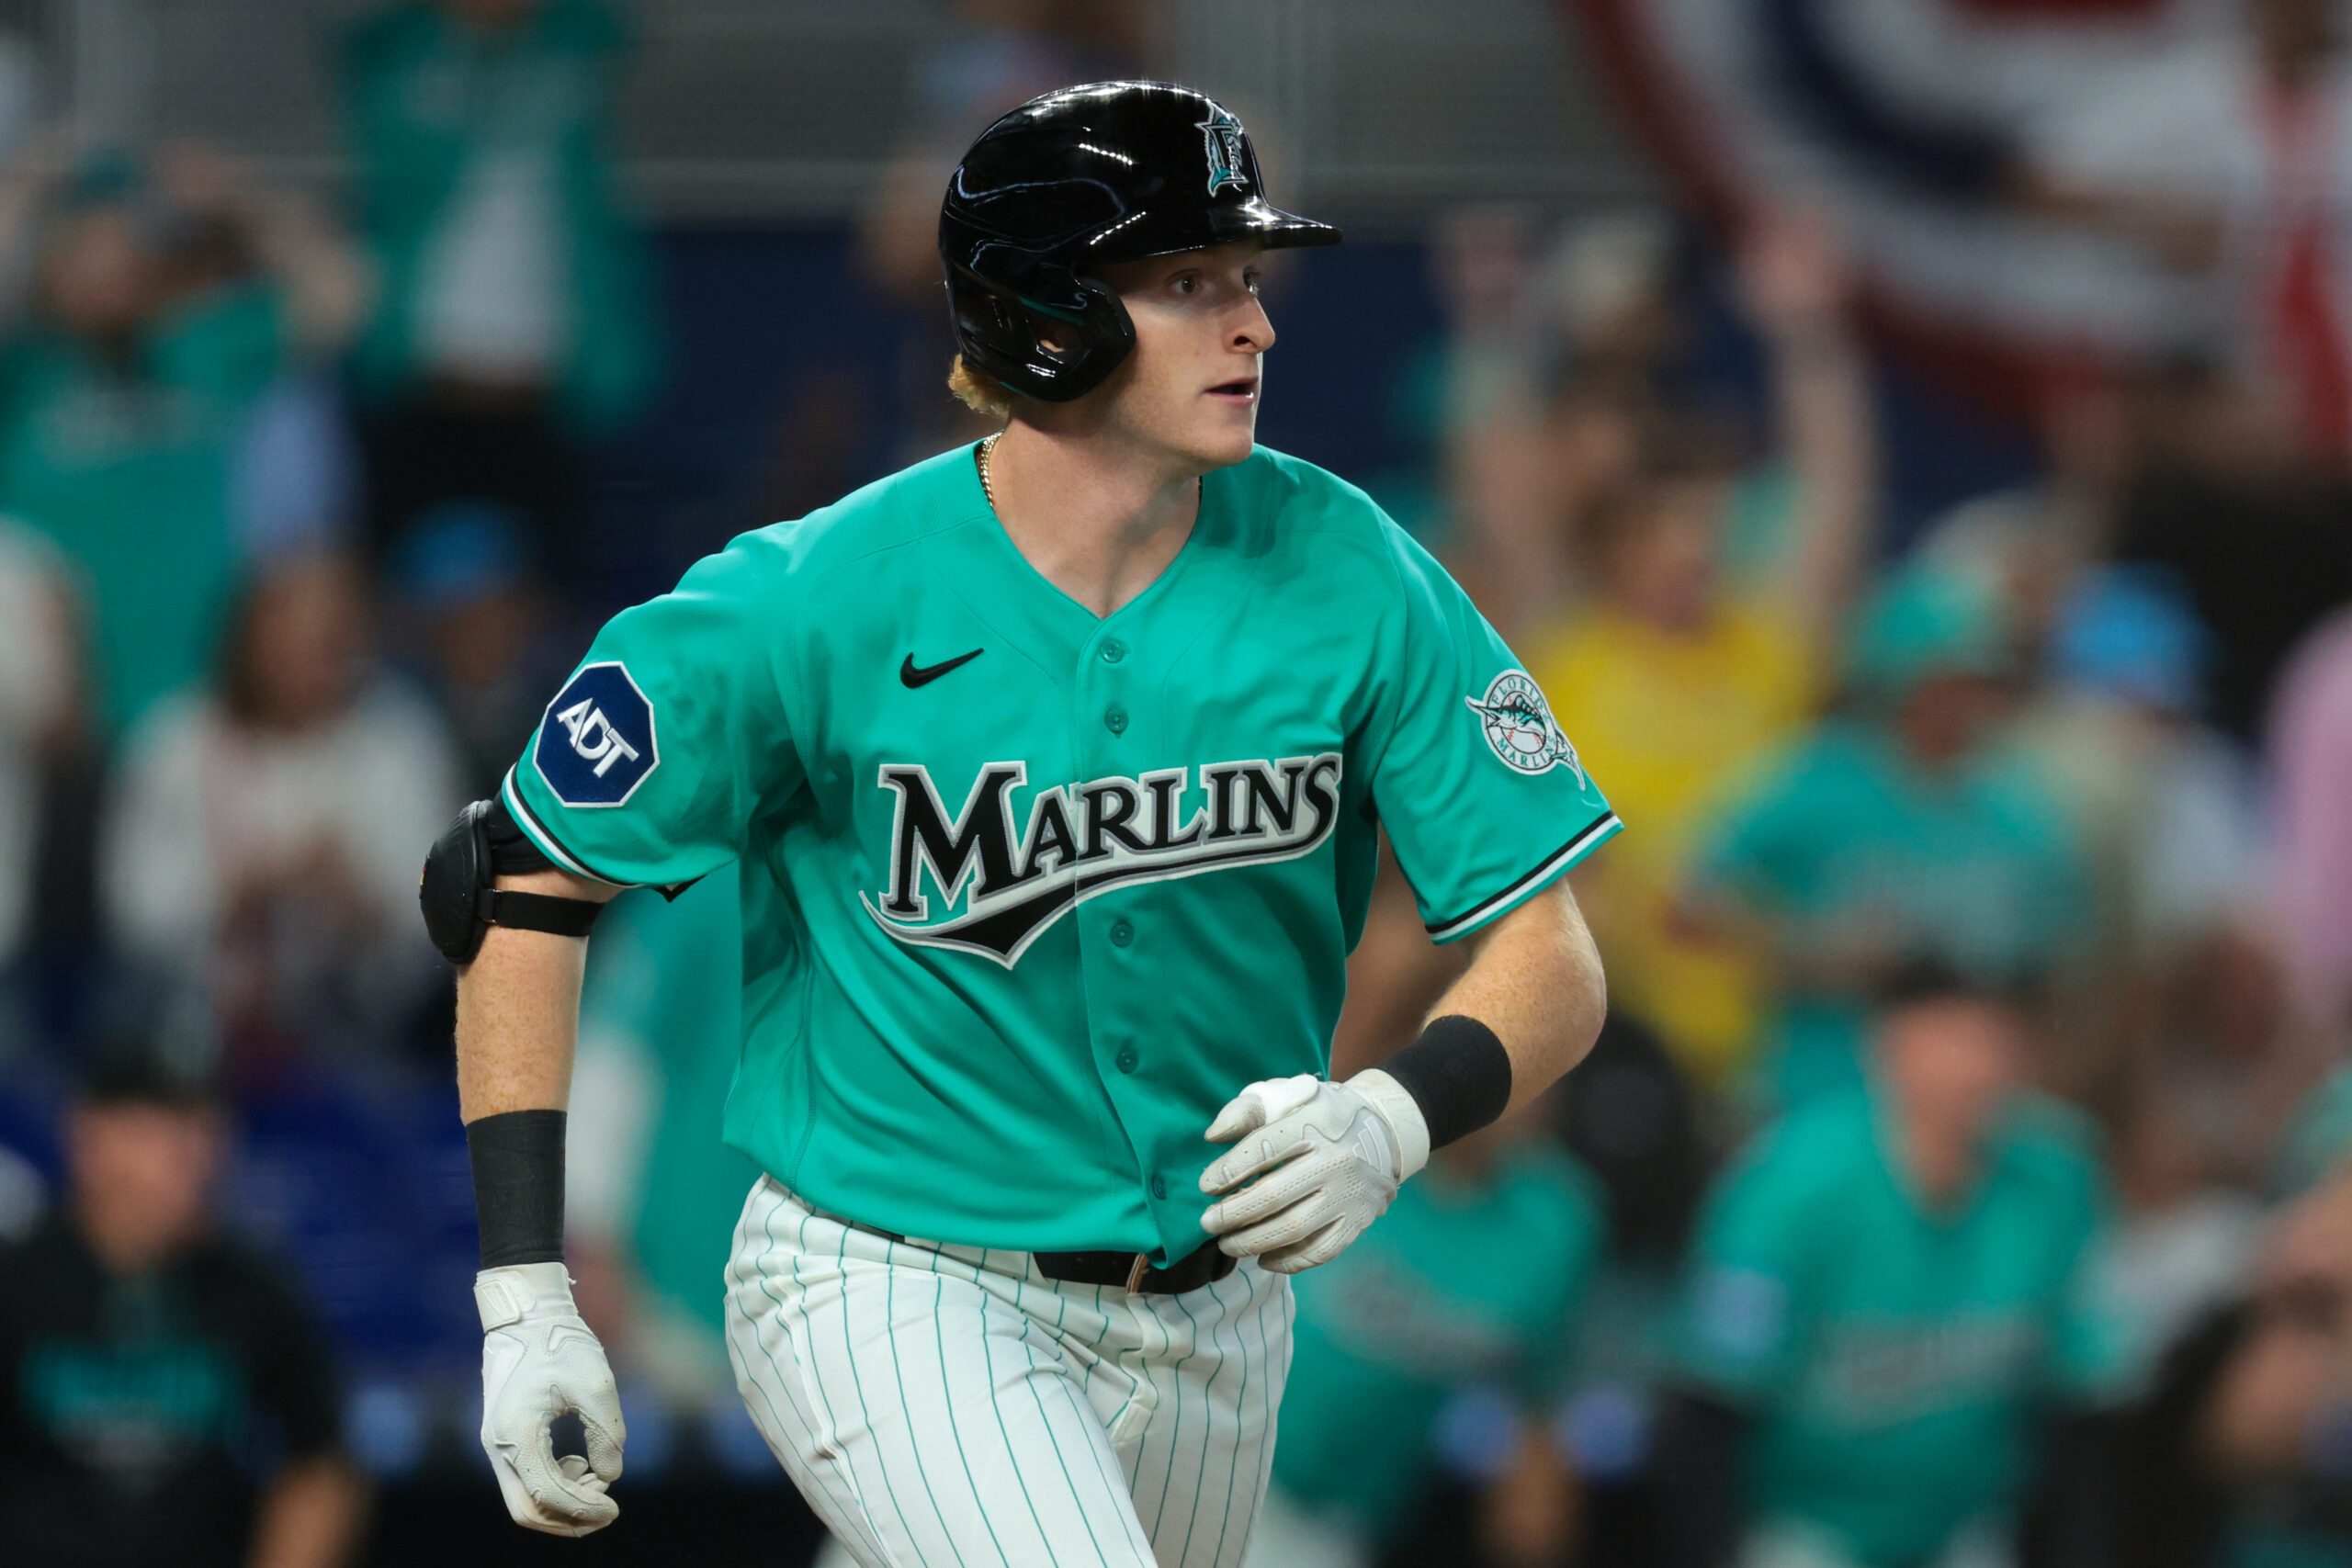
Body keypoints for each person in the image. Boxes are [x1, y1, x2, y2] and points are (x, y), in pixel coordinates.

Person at [421, 82, 1618, 1564]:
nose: (1255, 325)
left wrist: (1393, 1112)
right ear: (1048, 313)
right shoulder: (816, 595)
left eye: (1245, 278)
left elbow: (1553, 951)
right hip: (895, 1277)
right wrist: (524, 1296)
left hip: (1219, 1313)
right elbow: (520, 880)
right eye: (1191, 282)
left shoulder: (1352, 566)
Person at [1656, 964, 2129, 1568]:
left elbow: (2084, 1401)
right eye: (1952, 1037)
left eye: (1995, 1037)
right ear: (1887, 1045)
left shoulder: (2058, 1177)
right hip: (1807, 1524)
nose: (1979, 1064)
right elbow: (1711, 1400)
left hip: (1967, 1523)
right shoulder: (1790, 1182)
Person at [1679, 563, 2089, 1110]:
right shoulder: (1823, 780)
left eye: (1978, 686)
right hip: (1817, 1088)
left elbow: (2058, 978)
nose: (1963, 706)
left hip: (1967, 1107)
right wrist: (1811, 953)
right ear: (1900, 680)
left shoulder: (2022, 817)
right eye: (1944, 683)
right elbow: (1688, 902)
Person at [0, 1025, 366, 1568]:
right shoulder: (18, 1284)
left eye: (206, 1125)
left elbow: (320, 1467)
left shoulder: (254, 1290)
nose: (194, 1151)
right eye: (162, 1125)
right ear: (89, 1137)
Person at [104, 551, 463, 1072]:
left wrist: (358, 898)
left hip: (366, 1035)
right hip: (193, 1030)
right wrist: (239, 891)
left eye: (331, 642)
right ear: (248, 638)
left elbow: (449, 920)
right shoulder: (174, 745)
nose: (312, 660)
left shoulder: (400, 740)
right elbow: (134, 920)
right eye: (292, 638)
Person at [1241, 1102, 1604, 1568]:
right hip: (1217, 1442)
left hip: (1342, 1518)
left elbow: (1543, 1397)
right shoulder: (1355, 1139)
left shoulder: (1558, 1223)